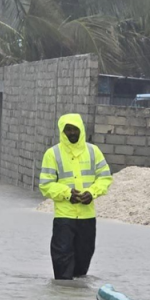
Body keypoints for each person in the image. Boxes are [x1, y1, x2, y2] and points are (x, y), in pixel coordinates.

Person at [39, 114, 113, 280]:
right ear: (62, 132)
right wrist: (67, 194)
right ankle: (62, 297)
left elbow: (105, 177)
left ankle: (76, 296)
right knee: (62, 263)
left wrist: (92, 193)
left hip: (87, 217)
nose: (72, 133)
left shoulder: (93, 152)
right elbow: (46, 184)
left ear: (81, 130)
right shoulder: (52, 154)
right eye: (68, 130)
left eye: (75, 129)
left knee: (82, 263)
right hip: (64, 217)